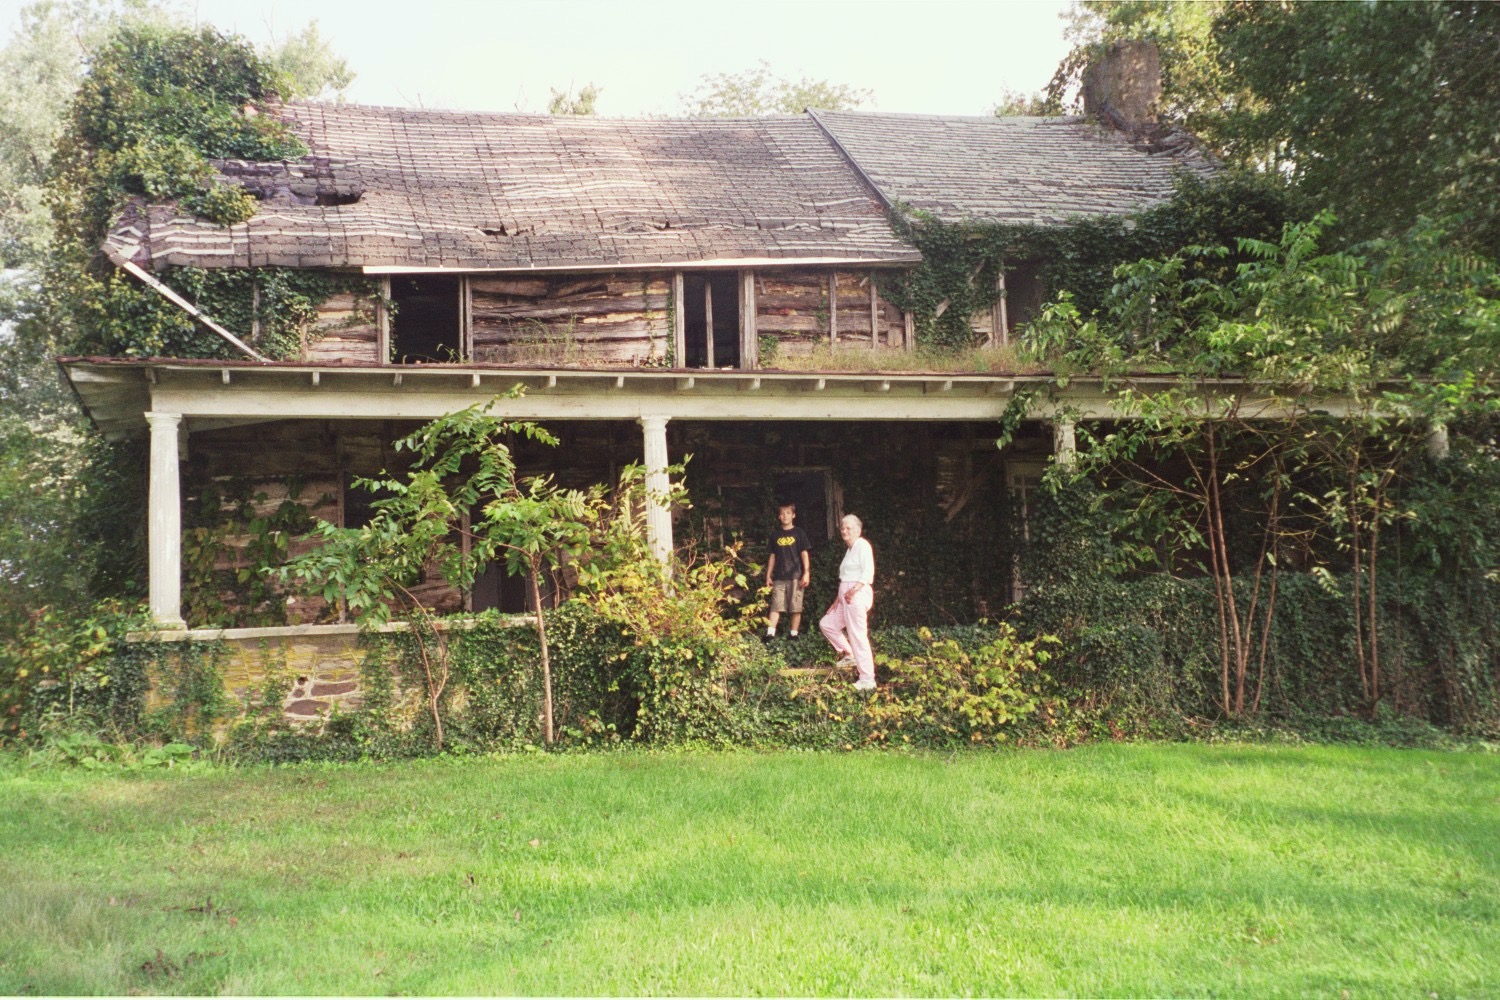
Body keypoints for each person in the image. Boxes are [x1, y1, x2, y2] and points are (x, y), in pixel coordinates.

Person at [820, 513, 876, 691]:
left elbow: (868, 573)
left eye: (848, 528)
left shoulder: (862, 545)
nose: (844, 531)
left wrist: (853, 590)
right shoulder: (849, 550)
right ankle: (850, 654)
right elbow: (845, 577)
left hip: (857, 594)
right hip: (845, 595)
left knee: (858, 635)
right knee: (827, 623)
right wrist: (837, 600)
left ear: (858, 530)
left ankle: (867, 679)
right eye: (842, 528)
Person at [763, 502, 812, 642]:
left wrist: (806, 573)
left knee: (795, 606)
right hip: (779, 576)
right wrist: (768, 575)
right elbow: (772, 556)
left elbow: (804, 554)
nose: (785, 516)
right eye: (782, 513)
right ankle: (770, 634)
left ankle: (794, 634)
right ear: (779, 516)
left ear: (793, 515)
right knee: (776, 605)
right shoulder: (775, 535)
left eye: (788, 513)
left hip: (796, 576)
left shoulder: (799, 533)